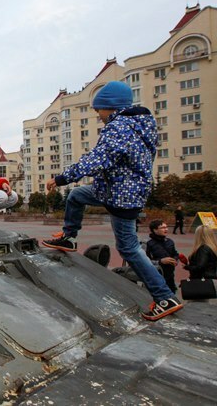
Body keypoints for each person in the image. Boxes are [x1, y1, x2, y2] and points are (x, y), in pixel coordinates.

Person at [41, 81, 183, 321]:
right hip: (116, 190)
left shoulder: (120, 127)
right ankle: (69, 237)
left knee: (128, 247)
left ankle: (164, 297)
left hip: (123, 196)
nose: (98, 115)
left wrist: (63, 177)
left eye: (100, 110)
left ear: (111, 106)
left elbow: (98, 159)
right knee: (77, 196)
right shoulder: (140, 125)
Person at [146, 220, 181, 293]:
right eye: (162, 227)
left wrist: (175, 259)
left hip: (170, 275)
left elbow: (175, 254)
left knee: (171, 295)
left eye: (166, 227)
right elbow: (144, 261)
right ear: (155, 230)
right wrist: (160, 261)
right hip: (155, 276)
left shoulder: (169, 241)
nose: (166, 229)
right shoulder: (147, 243)